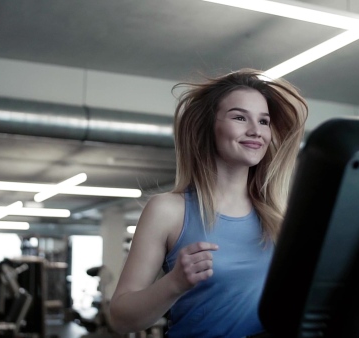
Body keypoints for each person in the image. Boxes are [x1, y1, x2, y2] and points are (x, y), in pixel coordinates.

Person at [109, 69, 308, 337]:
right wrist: (175, 283)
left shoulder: (279, 216)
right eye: (239, 117)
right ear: (208, 127)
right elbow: (121, 319)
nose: (256, 131)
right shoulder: (168, 210)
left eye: (264, 121)